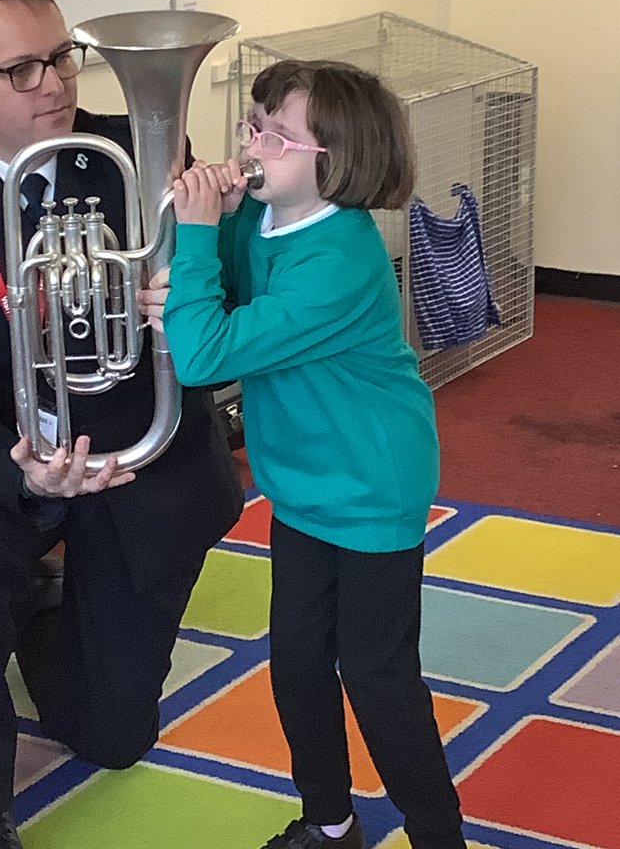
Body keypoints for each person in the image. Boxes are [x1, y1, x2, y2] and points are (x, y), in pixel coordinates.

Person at [0, 0, 242, 849]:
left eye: (63, 59)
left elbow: (223, 322)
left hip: (141, 453)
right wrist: (22, 466)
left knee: (112, 737)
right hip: (19, 452)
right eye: (22, 71)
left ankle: (46, 615)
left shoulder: (145, 156)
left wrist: (201, 274)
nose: (55, 86)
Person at [159, 59, 467, 849]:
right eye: (252, 125)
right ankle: (329, 822)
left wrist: (193, 240)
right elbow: (209, 289)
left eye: (277, 135)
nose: (252, 144)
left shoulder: (340, 258)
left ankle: (439, 834)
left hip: (371, 484)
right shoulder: (261, 221)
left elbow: (203, 356)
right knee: (297, 661)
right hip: (298, 481)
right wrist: (203, 231)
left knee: (377, 675)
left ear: (336, 161)